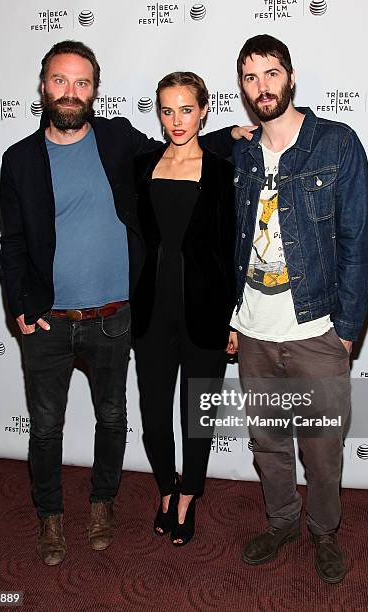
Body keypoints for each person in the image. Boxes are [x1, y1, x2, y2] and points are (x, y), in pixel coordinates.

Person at [0, 40, 251, 566]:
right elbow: (14, 241)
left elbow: (226, 227)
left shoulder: (116, 138)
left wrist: (229, 135)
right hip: (61, 318)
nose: (71, 92)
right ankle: (53, 517)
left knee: (121, 419)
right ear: (43, 86)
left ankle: (117, 504)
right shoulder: (21, 159)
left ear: (95, 90)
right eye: (61, 81)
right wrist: (18, 301)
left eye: (82, 83)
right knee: (49, 429)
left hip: (121, 316)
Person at [227, 35, 368, 583]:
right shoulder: (240, 152)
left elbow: (358, 239)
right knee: (267, 441)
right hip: (254, 330)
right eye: (249, 77)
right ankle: (282, 521)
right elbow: (225, 236)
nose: (261, 86)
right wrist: (231, 317)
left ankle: (324, 532)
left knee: (321, 449)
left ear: (290, 76)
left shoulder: (335, 144)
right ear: (241, 87)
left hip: (317, 328)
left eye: (270, 73)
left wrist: (347, 328)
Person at [131, 72, 236, 546]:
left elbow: (232, 245)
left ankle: (189, 495)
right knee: (154, 412)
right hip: (152, 308)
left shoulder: (221, 169)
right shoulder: (141, 165)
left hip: (207, 310)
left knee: (198, 412)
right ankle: (165, 487)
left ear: (204, 110)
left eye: (186, 109)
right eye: (167, 110)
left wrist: (236, 315)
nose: (177, 120)